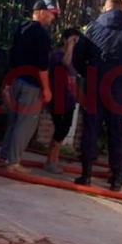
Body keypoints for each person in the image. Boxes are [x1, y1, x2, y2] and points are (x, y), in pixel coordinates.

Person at [72, 0, 122, 191]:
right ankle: (116, 179)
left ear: (105, 8)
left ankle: (86, 174)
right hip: (120, 87)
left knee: (91, 128)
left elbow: (76, 58)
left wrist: (88, 74)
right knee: (118, 132)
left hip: (95, 83)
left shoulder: (92, 28)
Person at [0, 0, 59, 172]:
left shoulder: (21, 28)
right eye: (50, 14)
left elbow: (12, 55)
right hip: (31, 85)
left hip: (16, 80)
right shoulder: (42, 35)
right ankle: (13, 162)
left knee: (13, 121)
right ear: (41, 12)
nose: (52, 18)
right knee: (25, 124)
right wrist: (47, 89)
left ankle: (4, 156)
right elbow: (42, 66)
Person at [44, 27, 81, 174]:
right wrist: (70, 46)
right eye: (72, 39)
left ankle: (55, 159)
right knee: (59, 129)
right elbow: (65, 63)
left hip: (69, 98)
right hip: (58, 97)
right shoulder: (58, 54)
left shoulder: (74, 57)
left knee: (65, 129)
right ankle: (50, 160)